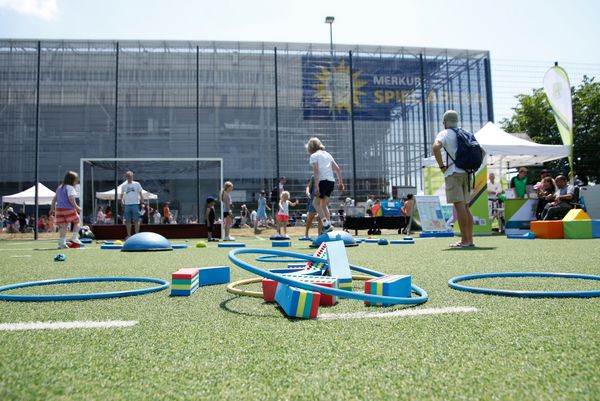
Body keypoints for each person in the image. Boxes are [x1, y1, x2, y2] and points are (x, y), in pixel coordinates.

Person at [432, 110, 475, 248]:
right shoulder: (465, 132)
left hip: (453, 172)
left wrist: (442, 167)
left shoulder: (444, 133)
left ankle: (464, 240)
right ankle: (470, 240)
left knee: (459, 207)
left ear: (445, 122)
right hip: (467, 172)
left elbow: (436, 147)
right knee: (466, 207)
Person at [306, 137, 344, 233]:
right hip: (331, 182)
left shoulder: (314, 156)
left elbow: (316, 171)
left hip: (322, 181)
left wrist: (317, 186)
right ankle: (329, 225)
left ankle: (326, 225)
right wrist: (340, 183)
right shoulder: (327, 154)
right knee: (323, 204)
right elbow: (337, 169)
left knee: (315, 203)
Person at [50, 171, 82, 248]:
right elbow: (71, 199)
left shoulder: (60, 187)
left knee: (63, 226)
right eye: (76, 180)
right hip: (68, 208)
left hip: (59, 209)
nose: (76, 182)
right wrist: (77, 207)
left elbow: (54, 199)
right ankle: (74, 237)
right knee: (77, 221)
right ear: (73, 181)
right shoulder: (70, 187)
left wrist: (52, 209)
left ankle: (62, 242)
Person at [120, 171, 144, 238]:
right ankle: (129, 235)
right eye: (128, 176)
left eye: (130, 176)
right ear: (126, 177)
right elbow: (121, 196)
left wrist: (142, 203)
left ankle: (136, 235)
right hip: (127, 205)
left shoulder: (137, 184)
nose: (129, 177)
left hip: (135, 204)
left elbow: (141, 194)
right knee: (128, 221)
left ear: (132, 176)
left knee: (136, 220)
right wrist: (122, 202)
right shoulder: (124, 186)